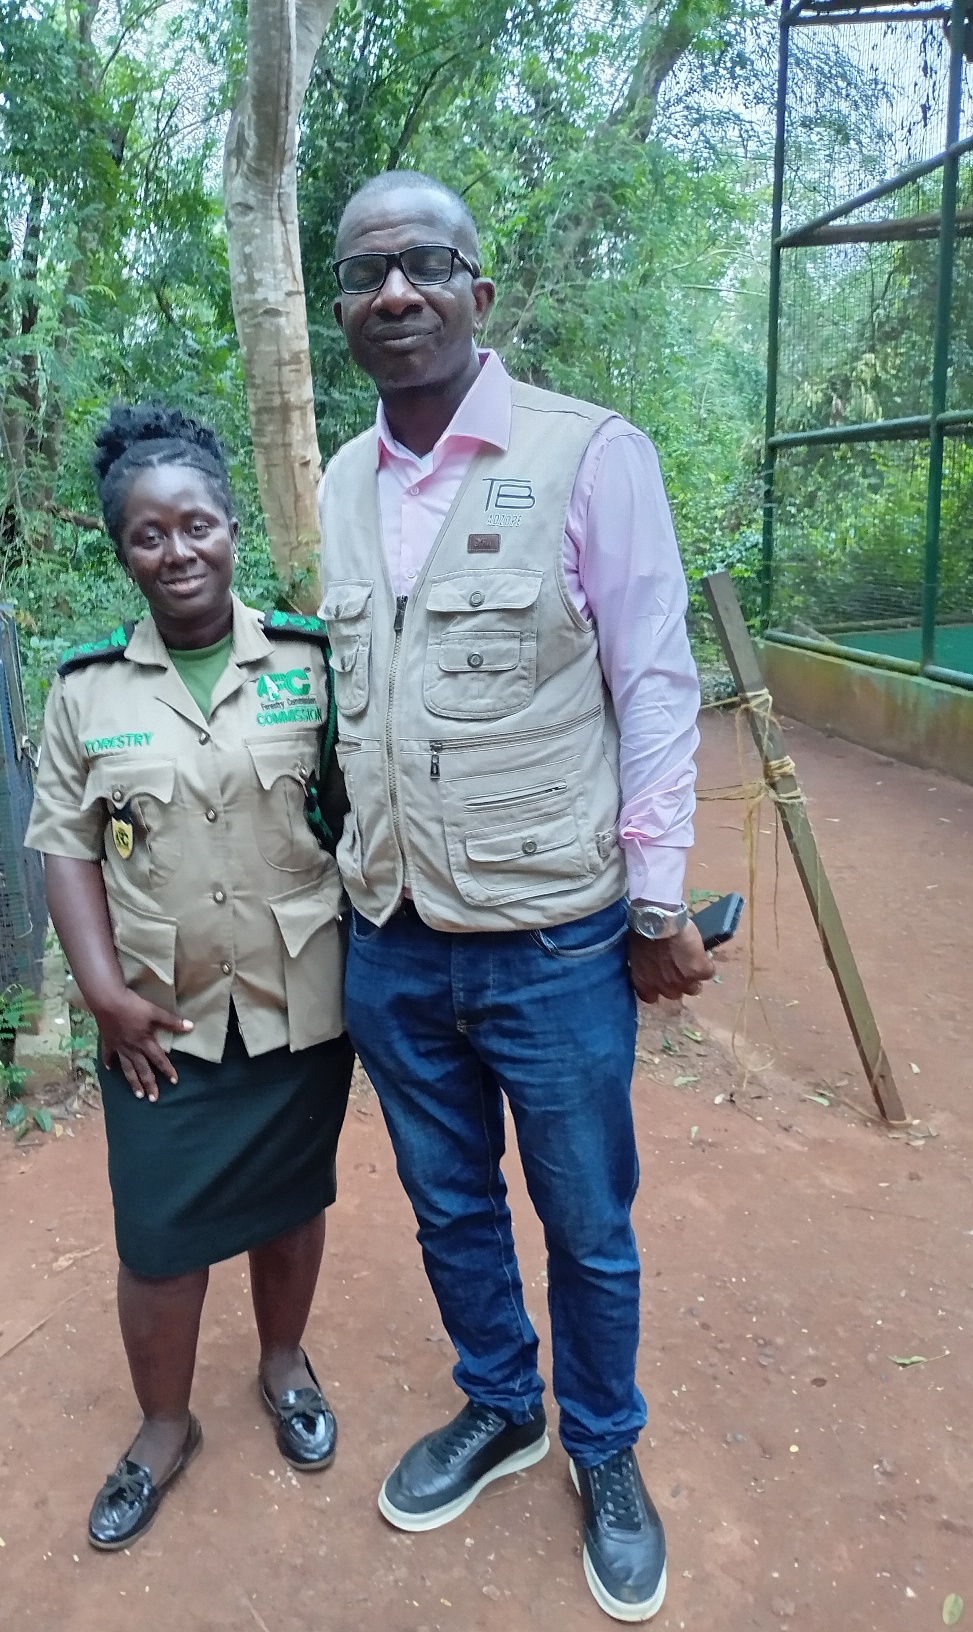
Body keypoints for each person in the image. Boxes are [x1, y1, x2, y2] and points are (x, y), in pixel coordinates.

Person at [317, 171, 712, 1624]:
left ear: (477, 292)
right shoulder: (341, 482)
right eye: (364, 273)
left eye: (424, 263)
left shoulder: (589, 454)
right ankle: (502, 1405)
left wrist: (654, 903)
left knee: (585, 1219)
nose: (394, 291)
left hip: (552, 938)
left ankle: (603, 1447)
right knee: (446, 1204)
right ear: (343, 313)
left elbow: (653, 683)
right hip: (392, 938)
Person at [25, 403, 353, 1552]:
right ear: (123, 553)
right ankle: (164, 1426)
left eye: (195, 525)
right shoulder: (87, 691)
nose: (176, 551)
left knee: (291, 1202)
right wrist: (102, 995)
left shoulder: (311, 664)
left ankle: (283, 1364)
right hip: (156, 1018)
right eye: (148, 535)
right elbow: (64, 847)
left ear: (230, 530)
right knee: (157, 1237)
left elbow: (363, 815)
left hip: (299, 1003)